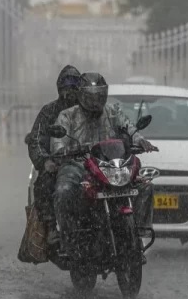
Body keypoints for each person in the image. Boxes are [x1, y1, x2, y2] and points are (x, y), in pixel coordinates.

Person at [50, 72, 157, 257]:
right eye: (91, 96)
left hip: (108, 165)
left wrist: (140, 140)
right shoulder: (67, 116)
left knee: (144, 185)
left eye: (99, 95)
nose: (95, 100)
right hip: (78, 165)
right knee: (63, 190)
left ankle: (138, 230)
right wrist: (62, 150)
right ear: (81, 95)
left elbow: (129, 127)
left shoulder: (113, 111)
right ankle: (69, 238)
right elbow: (57, 143)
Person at [25, 65, 81, 242]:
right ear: (59, 88)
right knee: (43, 185)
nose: (70, 92)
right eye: (66, 87)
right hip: (60, 164)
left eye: (74, 87)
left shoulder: (91, 110)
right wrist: (45, 161)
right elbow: (36, 139)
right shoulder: (49, 111)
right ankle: (50, 228)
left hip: (90, 163)